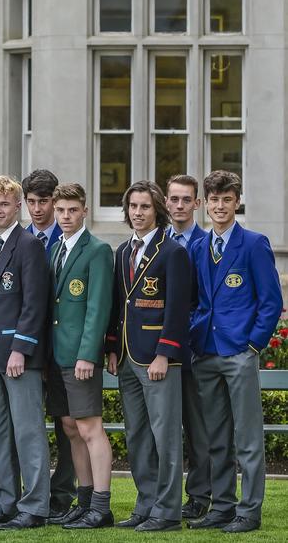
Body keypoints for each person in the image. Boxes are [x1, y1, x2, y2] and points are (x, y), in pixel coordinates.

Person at [188, 171, 283, 533]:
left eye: (227, 199)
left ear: (237, 201)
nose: (220, 206)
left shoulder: (254, 244)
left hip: (239, 352)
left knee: (247, 437)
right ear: (206, 203)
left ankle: (249, 511)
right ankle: (222, 507)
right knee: (215, 437)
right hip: (207, 352)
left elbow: (271, 302)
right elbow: (195, 300)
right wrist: (196, 335)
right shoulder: (198, 247)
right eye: (214, 199)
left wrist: (253, 344)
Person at [106, 180, 191, 532]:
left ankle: (168, 512)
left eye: (144, 206)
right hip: (127, 358)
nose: (137, 212)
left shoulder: (173, 252)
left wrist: (164, 354)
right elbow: (117, 305)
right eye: (132, 206)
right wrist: (112, 347)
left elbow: (178, 309)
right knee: (137, 435)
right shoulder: (123, 250)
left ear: (157, 209)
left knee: (165, 437)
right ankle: (146, 504)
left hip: (157, 359)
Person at [0, 175, 50, 530]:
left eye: (5, 204)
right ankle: (6, 500)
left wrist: (21, 348)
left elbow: (34, 304)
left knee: (28, 431)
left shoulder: (29, 245)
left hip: (19, 357)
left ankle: (34, 506)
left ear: (17, 206)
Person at [47, 183, 114, 530]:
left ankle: (101, 506)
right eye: (60, 211)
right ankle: (84, 500)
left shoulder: (97, 250)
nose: (65, 217)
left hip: (80, 357)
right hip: (56, 356)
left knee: (90, 428)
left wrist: (88, 354)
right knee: (71, 427)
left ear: (84, 210)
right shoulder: (54, 248)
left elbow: (98, 307)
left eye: (72, 210)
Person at [22, 167, 76, 522]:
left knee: (66, 425)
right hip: (26, 350)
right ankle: (29, 491)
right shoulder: (19, 239)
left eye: (44, 201)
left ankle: (63, 493)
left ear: (56, 201)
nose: (38, 209)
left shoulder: (70, 238)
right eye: (32, 202)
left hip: (61, 349)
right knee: (26, 425)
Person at [165, 174, 211, 522]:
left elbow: (204, 301)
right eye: (174, 199)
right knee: (164, 427)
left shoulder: (207, 244)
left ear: (197, 203)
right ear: (166, 201)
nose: (179, 205)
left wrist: (181, 335)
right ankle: (160, 496)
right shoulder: (157, 240)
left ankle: (198, 496)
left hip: (192, 350)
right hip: (158, 353)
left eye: (186, 199)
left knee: (197, 428)